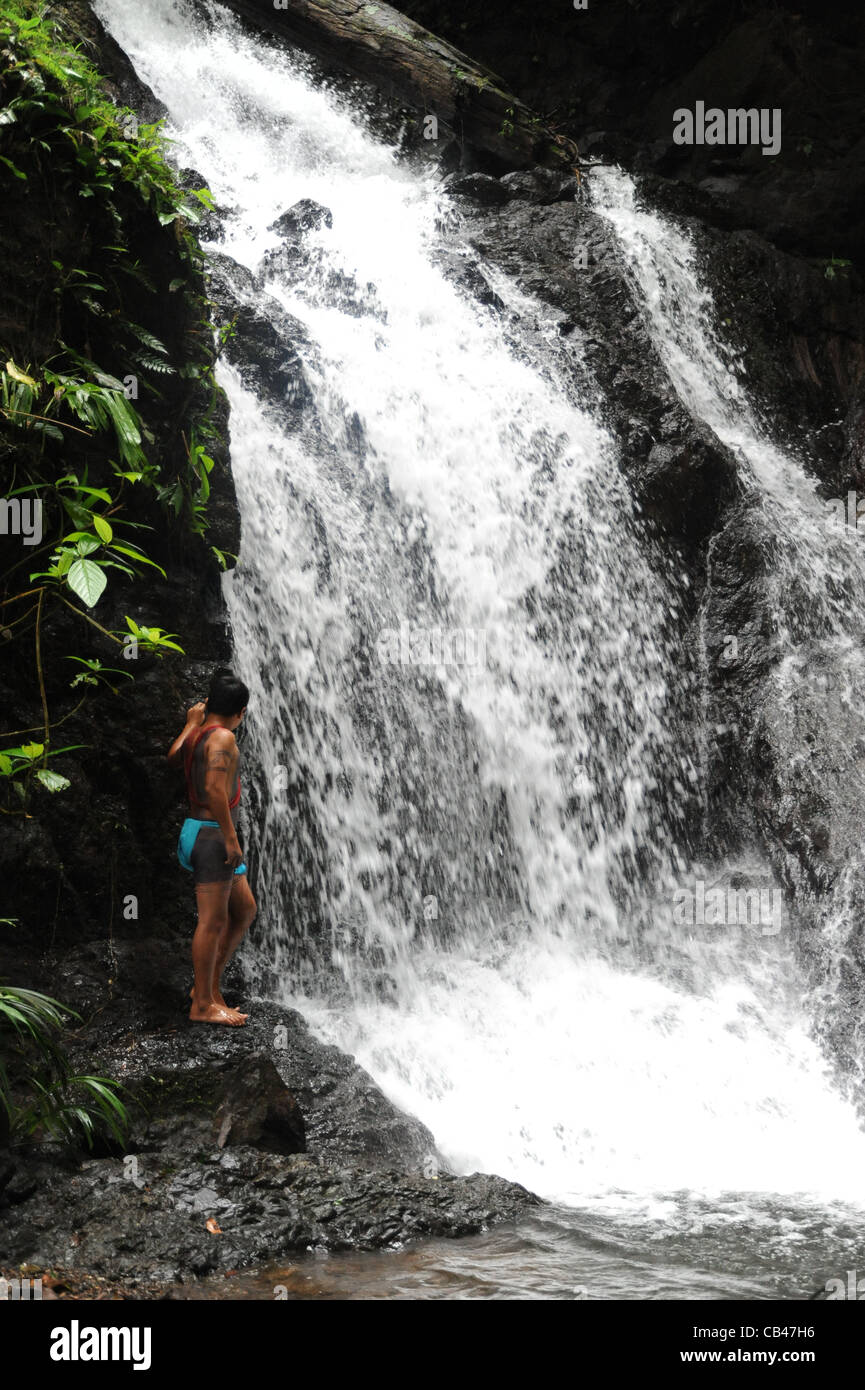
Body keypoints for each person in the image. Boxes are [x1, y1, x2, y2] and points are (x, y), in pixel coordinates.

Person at [167, 668, 257, 1026]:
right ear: (241, 712)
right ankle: (202, 1006)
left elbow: (173, 756)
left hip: (202, 833)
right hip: (212, 837)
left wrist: (191, 723)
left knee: (244, 909)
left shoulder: (199, 734)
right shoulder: (223, 739)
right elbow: (217, 790)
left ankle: (208, 988)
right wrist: (231, 838)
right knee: (213, 920)